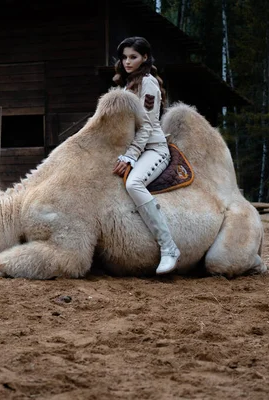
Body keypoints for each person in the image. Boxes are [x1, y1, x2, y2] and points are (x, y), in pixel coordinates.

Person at [111, 36, 180, 275]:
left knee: (134, 183)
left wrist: (130, 155)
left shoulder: (148, 84)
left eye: (133, 57)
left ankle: (169, 247)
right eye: (124, 57)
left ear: (145, 58)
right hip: (132, 148)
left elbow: (147, 126)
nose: (127, 62)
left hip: (153, 149)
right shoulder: (125, 84)